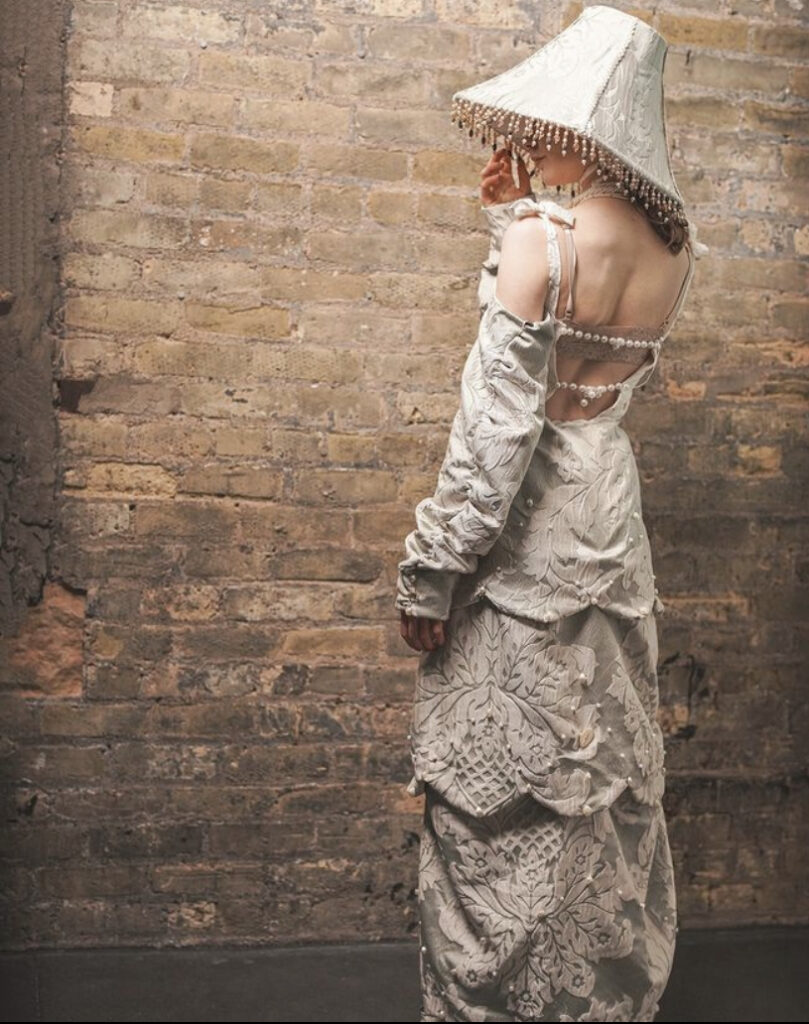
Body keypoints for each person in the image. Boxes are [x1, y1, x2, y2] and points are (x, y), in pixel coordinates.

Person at [393, 6, 710, 1023]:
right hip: (604, 513)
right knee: (590, 767)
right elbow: (583, 355)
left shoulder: (542, 236)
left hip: (525, 525)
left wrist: (430, 572)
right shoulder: (672, 247)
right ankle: (583, 995)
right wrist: (518, 210)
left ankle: (498, 996)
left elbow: (492, 438)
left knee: (505, 781)